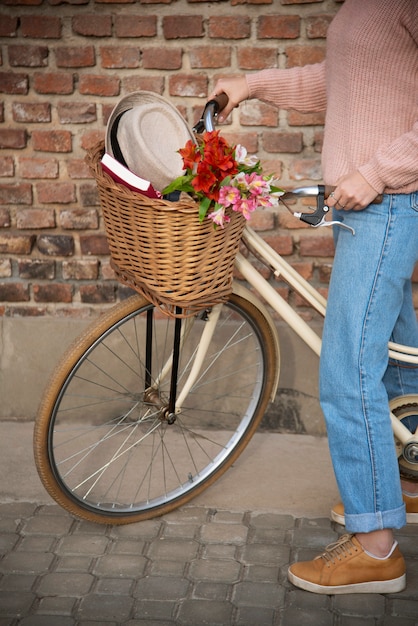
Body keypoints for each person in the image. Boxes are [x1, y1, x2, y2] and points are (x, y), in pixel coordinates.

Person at [210, 0, 418, 594]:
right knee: (401, 356)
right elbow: (345, 80)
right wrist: (249, 85)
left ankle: (376, 547)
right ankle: (407, 483)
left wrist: (376, 173)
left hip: (388, 205)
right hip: (373, 210)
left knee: (348, 371)